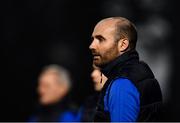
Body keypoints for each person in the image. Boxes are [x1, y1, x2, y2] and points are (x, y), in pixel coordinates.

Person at [89, 17, 162, 122]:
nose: (91, 46)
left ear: (123, 45)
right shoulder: (140, 72)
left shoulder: (121, 83)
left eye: (100, 39)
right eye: (93, 39)